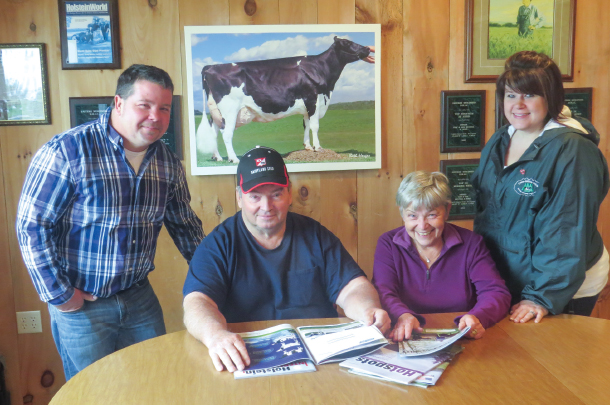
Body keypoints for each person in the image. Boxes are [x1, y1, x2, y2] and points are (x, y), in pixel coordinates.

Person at [16, 64, 205, 380]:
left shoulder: (167, 163)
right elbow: (32, 226)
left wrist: (213, 277)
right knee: (93, 394)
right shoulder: (68, 151)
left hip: (140, 299)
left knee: (154, 386)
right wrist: (61, 296)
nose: (155, 116)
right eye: (144, 105)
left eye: (164, 108)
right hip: (83, 307)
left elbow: (185, 226)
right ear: (118, 103)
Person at [183, 146, 390, 373]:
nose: (266, 207)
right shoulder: (218, 244)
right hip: (248, 360)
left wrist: (369, 310)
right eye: (255, 197)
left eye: (276, 195)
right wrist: (215, 335)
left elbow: (353, 288)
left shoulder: (315, 235)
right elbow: (197, 303)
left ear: (289, 194)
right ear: (239, 197)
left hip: (320, 362)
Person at [471, 51, 609, 324]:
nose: (518, 104)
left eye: (529, 95)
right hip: (512, 276)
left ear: (551, 97)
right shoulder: (501, 139)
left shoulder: (573, 151)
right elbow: (486, 213)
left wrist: (542, 297)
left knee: (551, 363)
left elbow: (566, 229)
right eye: (511, 95)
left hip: (562, 286)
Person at [372, 171, 511, 342]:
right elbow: (383, 292)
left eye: (432, 215)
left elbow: (495, 292)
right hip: (405, 335)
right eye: (412, 215)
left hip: (461, 336)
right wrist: (402, 315)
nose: (422, 226)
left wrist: (477, 317)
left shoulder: (471, 243)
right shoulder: (388, 243)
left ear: (447, 210)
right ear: (402, 213)